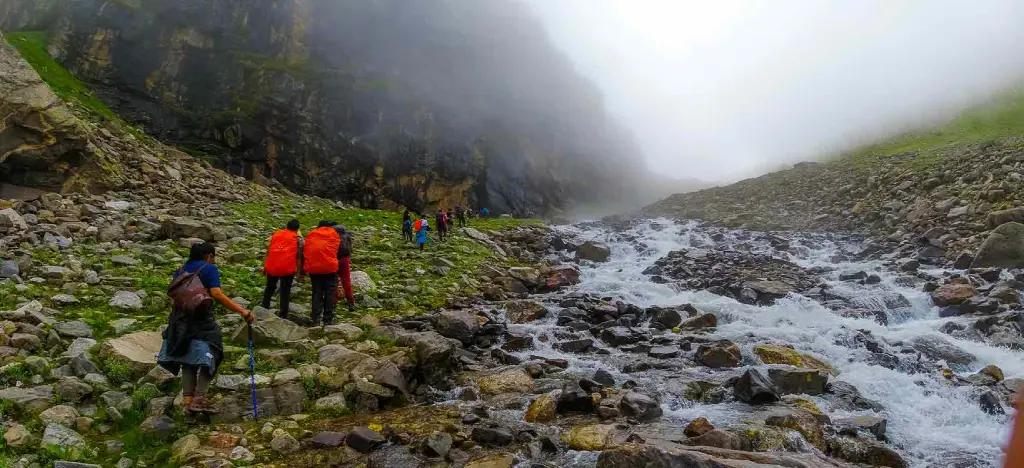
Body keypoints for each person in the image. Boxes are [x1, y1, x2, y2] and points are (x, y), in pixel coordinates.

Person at [159, 243, 254, 414]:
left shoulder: (180, 270)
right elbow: (216, 293)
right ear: (209, 256)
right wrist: (242, 311)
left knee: (187, 357)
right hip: (202, 320)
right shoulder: (209, 269)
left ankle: (188, 404)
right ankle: (200, 397)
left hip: (180, 319)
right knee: (215, 352)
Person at [261, 219, 303, 319]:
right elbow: (298, 256)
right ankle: (283, 314)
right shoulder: (298, 239)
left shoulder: (277, 234)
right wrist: (298, 272)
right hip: (287, 268)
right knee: (285, 291)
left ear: (287, 226)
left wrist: (265, 266)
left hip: (273, 265)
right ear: (297, 229)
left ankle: (264, 308)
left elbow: (269, 250)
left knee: (270, 287)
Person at [304, 220, 342, 326]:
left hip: (314, 268)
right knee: (329, 293)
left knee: (317, 292)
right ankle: (327, 319)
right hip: (330, 268)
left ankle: (315, 318)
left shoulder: (311, 234)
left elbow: (306, 250)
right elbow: (340, 251)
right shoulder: (334, 234)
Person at [334, 224, 356, 312]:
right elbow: (350, 250)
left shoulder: (332, 236)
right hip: (345, 260)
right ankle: (351, 302)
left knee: (334, 281)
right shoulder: (346, 236)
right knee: (346, 281)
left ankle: (333, 303)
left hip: (334, 260)